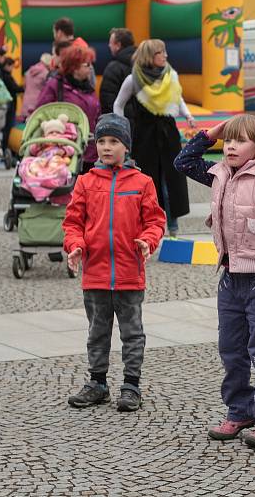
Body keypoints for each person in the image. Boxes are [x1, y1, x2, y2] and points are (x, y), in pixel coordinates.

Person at [173, 114, 255, 448]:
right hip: (230, 276)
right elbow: (183, 161)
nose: (229, 146)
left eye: (239, 140)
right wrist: (211, 133)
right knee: (231, 350)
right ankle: (240, 409)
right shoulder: (219, 174)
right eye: (227, 140)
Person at [63, 113, 166, 412]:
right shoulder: (85, 182)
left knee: (132, 333)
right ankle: (97, 383)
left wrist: (148, 241)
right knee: (97, 332)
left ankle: (131, 385)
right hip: (94, 274)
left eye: (114, 141)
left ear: (127, 146)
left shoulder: (143, 183)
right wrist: (76, 246)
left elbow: (155, 221)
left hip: (129, 274)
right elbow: (73, 223)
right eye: (102, 141)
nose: (106, 147)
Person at [114, 39, 194, 236]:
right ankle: (148, 229)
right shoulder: (133, 79)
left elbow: (178, 97)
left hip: (168, 134)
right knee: (147, 181)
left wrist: (188, 115)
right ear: (150, 56)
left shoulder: (170, 75)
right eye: (161, 52)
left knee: (171, 181)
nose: (165, 56)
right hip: (145, 135)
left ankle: (173, 228)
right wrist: (121, 128)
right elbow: (118, 104)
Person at [35, 45, 100, 170]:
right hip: (64, 150)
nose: (91, 68)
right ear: (74, 67)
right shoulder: (55, 85)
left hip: (90, 149)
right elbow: (41, 113)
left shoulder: (88, 87)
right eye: (87, 64)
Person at [100, 28, 136, 114]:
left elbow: (108, 100)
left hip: (122, 121)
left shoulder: (113, 68)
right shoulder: (144, 64)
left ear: (118, 45)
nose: (109, 45)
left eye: (111, 43)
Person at [0, 57, 23, 155]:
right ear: (8, 66)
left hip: (7, 105)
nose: (12, 68)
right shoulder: (6, 76)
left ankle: (4, 147)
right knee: (7, 127)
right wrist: (22, 88)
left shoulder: (3, 75)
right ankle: (5, 148)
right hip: (9, 105)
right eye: (11, 66)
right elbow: (14, 88)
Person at [19, 53, 52, 120]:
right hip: (38, 102)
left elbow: (24, 85)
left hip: (26, 101)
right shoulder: (45, 73)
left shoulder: (29, 71)